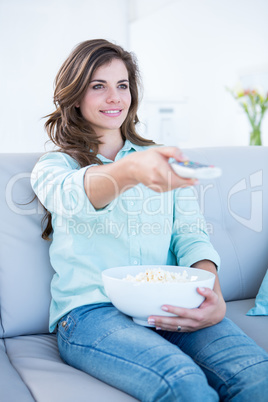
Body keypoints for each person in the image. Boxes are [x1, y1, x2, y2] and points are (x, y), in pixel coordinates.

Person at [31, 39, 268, 401]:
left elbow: (190, 234)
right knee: (182, 384)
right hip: (90, 314)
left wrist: (212, 294)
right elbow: (74, 197)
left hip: (169, 301)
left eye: (122, 85)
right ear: (76, 96)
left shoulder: (160, 158)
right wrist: (131, 170)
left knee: (258, 378)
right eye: (98, 86)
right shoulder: (54, 166)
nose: (115, 97)